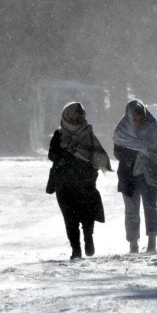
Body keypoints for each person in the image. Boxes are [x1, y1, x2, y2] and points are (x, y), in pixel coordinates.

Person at [113, 99, 157, 254]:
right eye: (135, 118)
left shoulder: (151, 127)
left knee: (151, 207)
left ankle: (152, 243)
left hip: (149, 174)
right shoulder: (122, 130)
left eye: (140, 118)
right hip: (128, 175)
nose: (137, 121)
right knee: (131, 210)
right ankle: (133, 244)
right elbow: (117, 152)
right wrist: (133, 153)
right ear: (129, 116)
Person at [48, 102, 112, 260]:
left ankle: (88, 239)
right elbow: (52, 155)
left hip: (85, 183)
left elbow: (96, 155)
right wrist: (62, 147)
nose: (78, 117)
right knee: (70, 219)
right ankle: (76, 249)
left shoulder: (88, 134)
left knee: (87, 216)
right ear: (68, 115)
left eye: (80, 114)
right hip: (64, 185)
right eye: (75, 114)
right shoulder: (59, 134)